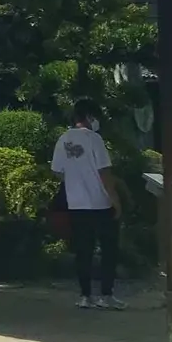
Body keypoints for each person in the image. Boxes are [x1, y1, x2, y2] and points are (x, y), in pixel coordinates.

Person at [51, 98, 125, 310]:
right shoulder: (94, 139)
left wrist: (75, 179)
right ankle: (106, 294)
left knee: (83, 251)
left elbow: (57, 170)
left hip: (76, 203)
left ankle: (85, 295)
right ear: (91, 117)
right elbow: (104, 171)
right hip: (100, 203)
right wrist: (115, 200)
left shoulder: (63, 139)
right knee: (109, 249)